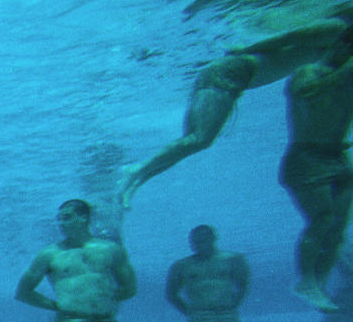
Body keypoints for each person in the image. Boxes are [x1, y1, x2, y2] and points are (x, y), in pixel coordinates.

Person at [119, 17, 352, 209]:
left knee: (195, 142)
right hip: (233, 71)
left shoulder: (344, 49)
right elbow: (287, 38)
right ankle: (134, 171)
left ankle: (135, 181)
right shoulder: (338, 29)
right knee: (199, 139)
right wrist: (246, 49)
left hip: (239, 78)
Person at [279, 26, 353, 311]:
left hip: (337, 159)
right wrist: (346, 71)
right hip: (306, 159)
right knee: (322, 220)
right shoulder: (308, 72)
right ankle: (305, 279)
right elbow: (307, 94)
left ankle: (316, 284)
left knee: (338, 229)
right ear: (342, 47)